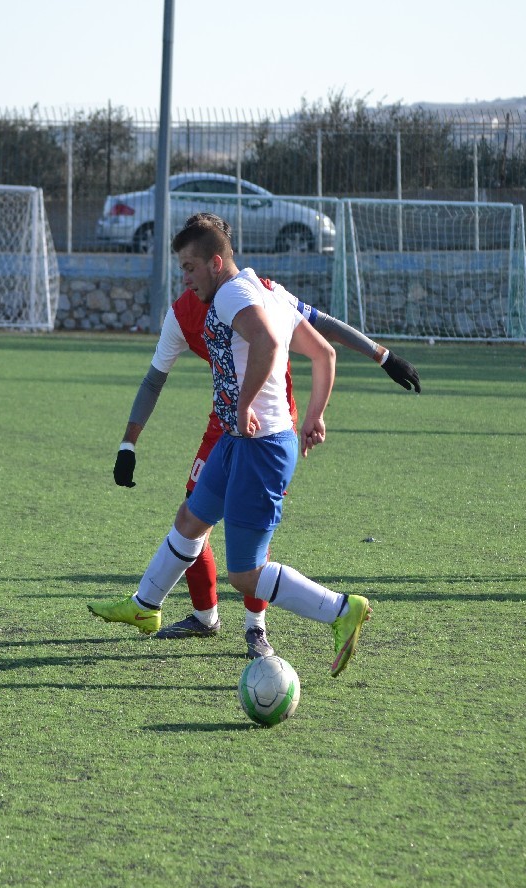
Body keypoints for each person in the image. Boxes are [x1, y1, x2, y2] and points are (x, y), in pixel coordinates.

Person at [113, 214, 418, 659]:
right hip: (236, 439)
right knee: (191, 518)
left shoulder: (233, 295)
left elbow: (273, 344)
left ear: (216, 262)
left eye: (189, 267)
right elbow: (324, 352)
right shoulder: (263, 291)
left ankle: (339, 610)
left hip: (261, 443)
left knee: (245, 574)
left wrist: (244, 405)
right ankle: (145, 605)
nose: (185, 278)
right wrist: (314, 416)